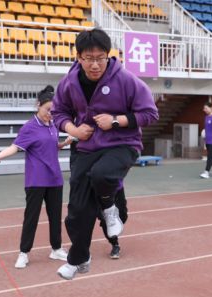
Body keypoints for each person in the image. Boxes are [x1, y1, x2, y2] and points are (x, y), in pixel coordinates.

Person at [51, 28, 156, 280]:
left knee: (103, 174)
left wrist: (116, 120)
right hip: (86, 147)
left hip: (122, 143)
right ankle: (79, 259)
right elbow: (58, 113)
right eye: (89, 58)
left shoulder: (126, 80)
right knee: (77, 212)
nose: (95, 64)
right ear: (78, 57)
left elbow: (150, 113)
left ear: (108, 55)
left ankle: (110, 209)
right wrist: (74, 129)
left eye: (100, 58)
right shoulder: (69, 82)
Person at [0, 87, 62, 268]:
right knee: (31, 218)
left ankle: (56, 249)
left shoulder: (54, 125)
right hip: (36, 180)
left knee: (56, 216)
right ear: (38, 105)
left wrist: (64, 143)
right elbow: (14, 147)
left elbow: (49, 146)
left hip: (55, 178)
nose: (51, 114)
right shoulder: (29, 127)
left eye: (54, 110)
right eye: (48, 109)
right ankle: (24, 253)